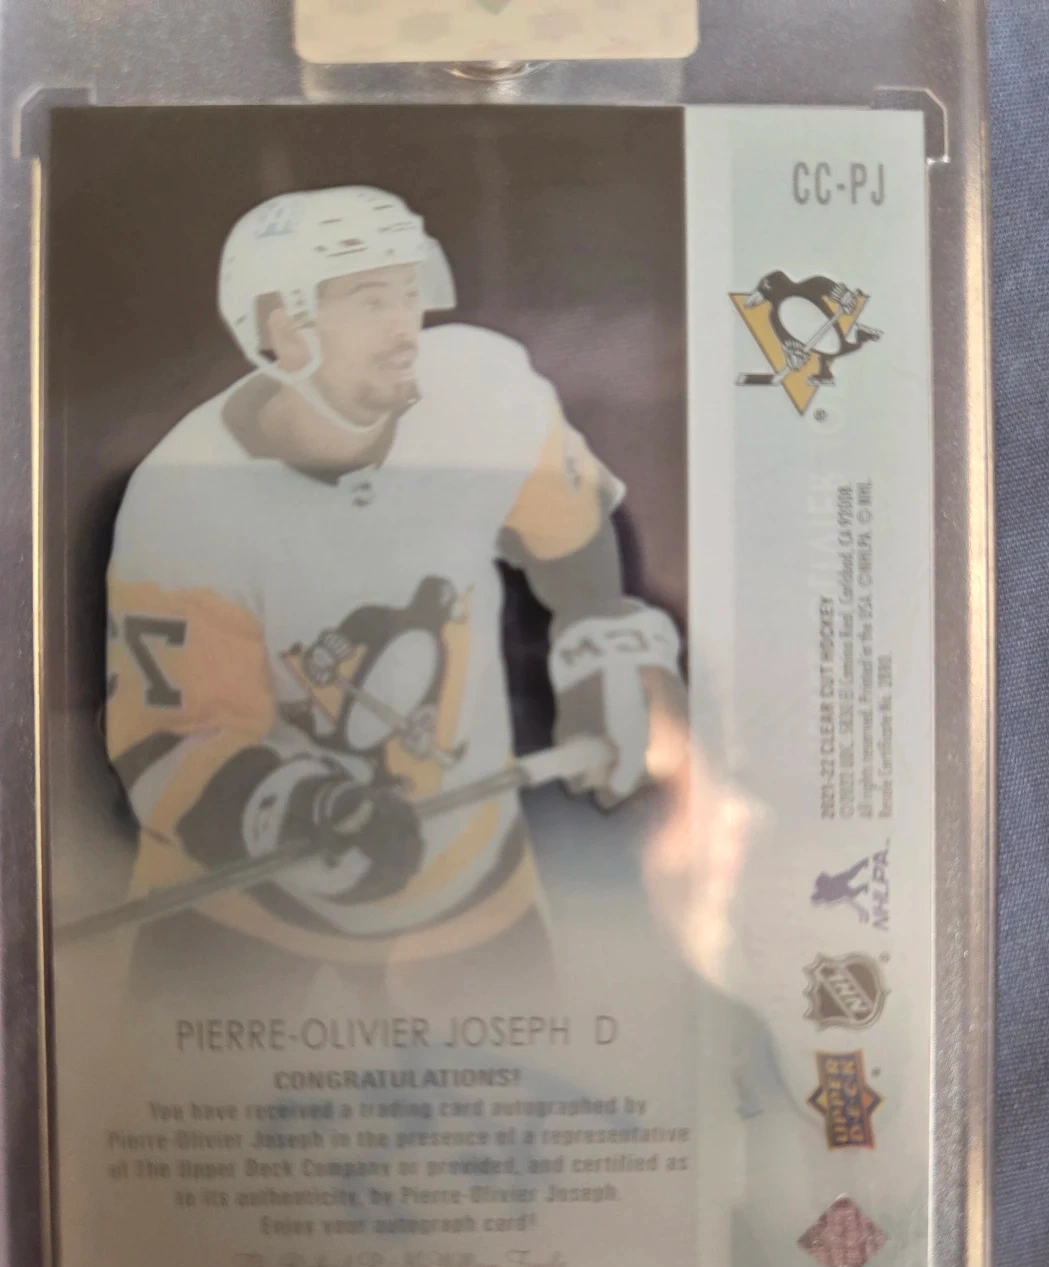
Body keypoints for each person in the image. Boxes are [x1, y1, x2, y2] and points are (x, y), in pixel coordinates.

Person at [106, 186, 685, 999]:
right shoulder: (185, 497)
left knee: (523, 1083)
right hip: (237, 914)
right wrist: (303, 811)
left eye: (409, 293)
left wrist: (600, 641)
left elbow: (574, 526)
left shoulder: (484, 390)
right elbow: (172, 745)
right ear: (283, 329)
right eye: (369, 301)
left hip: (466, 893)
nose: (403, 326)